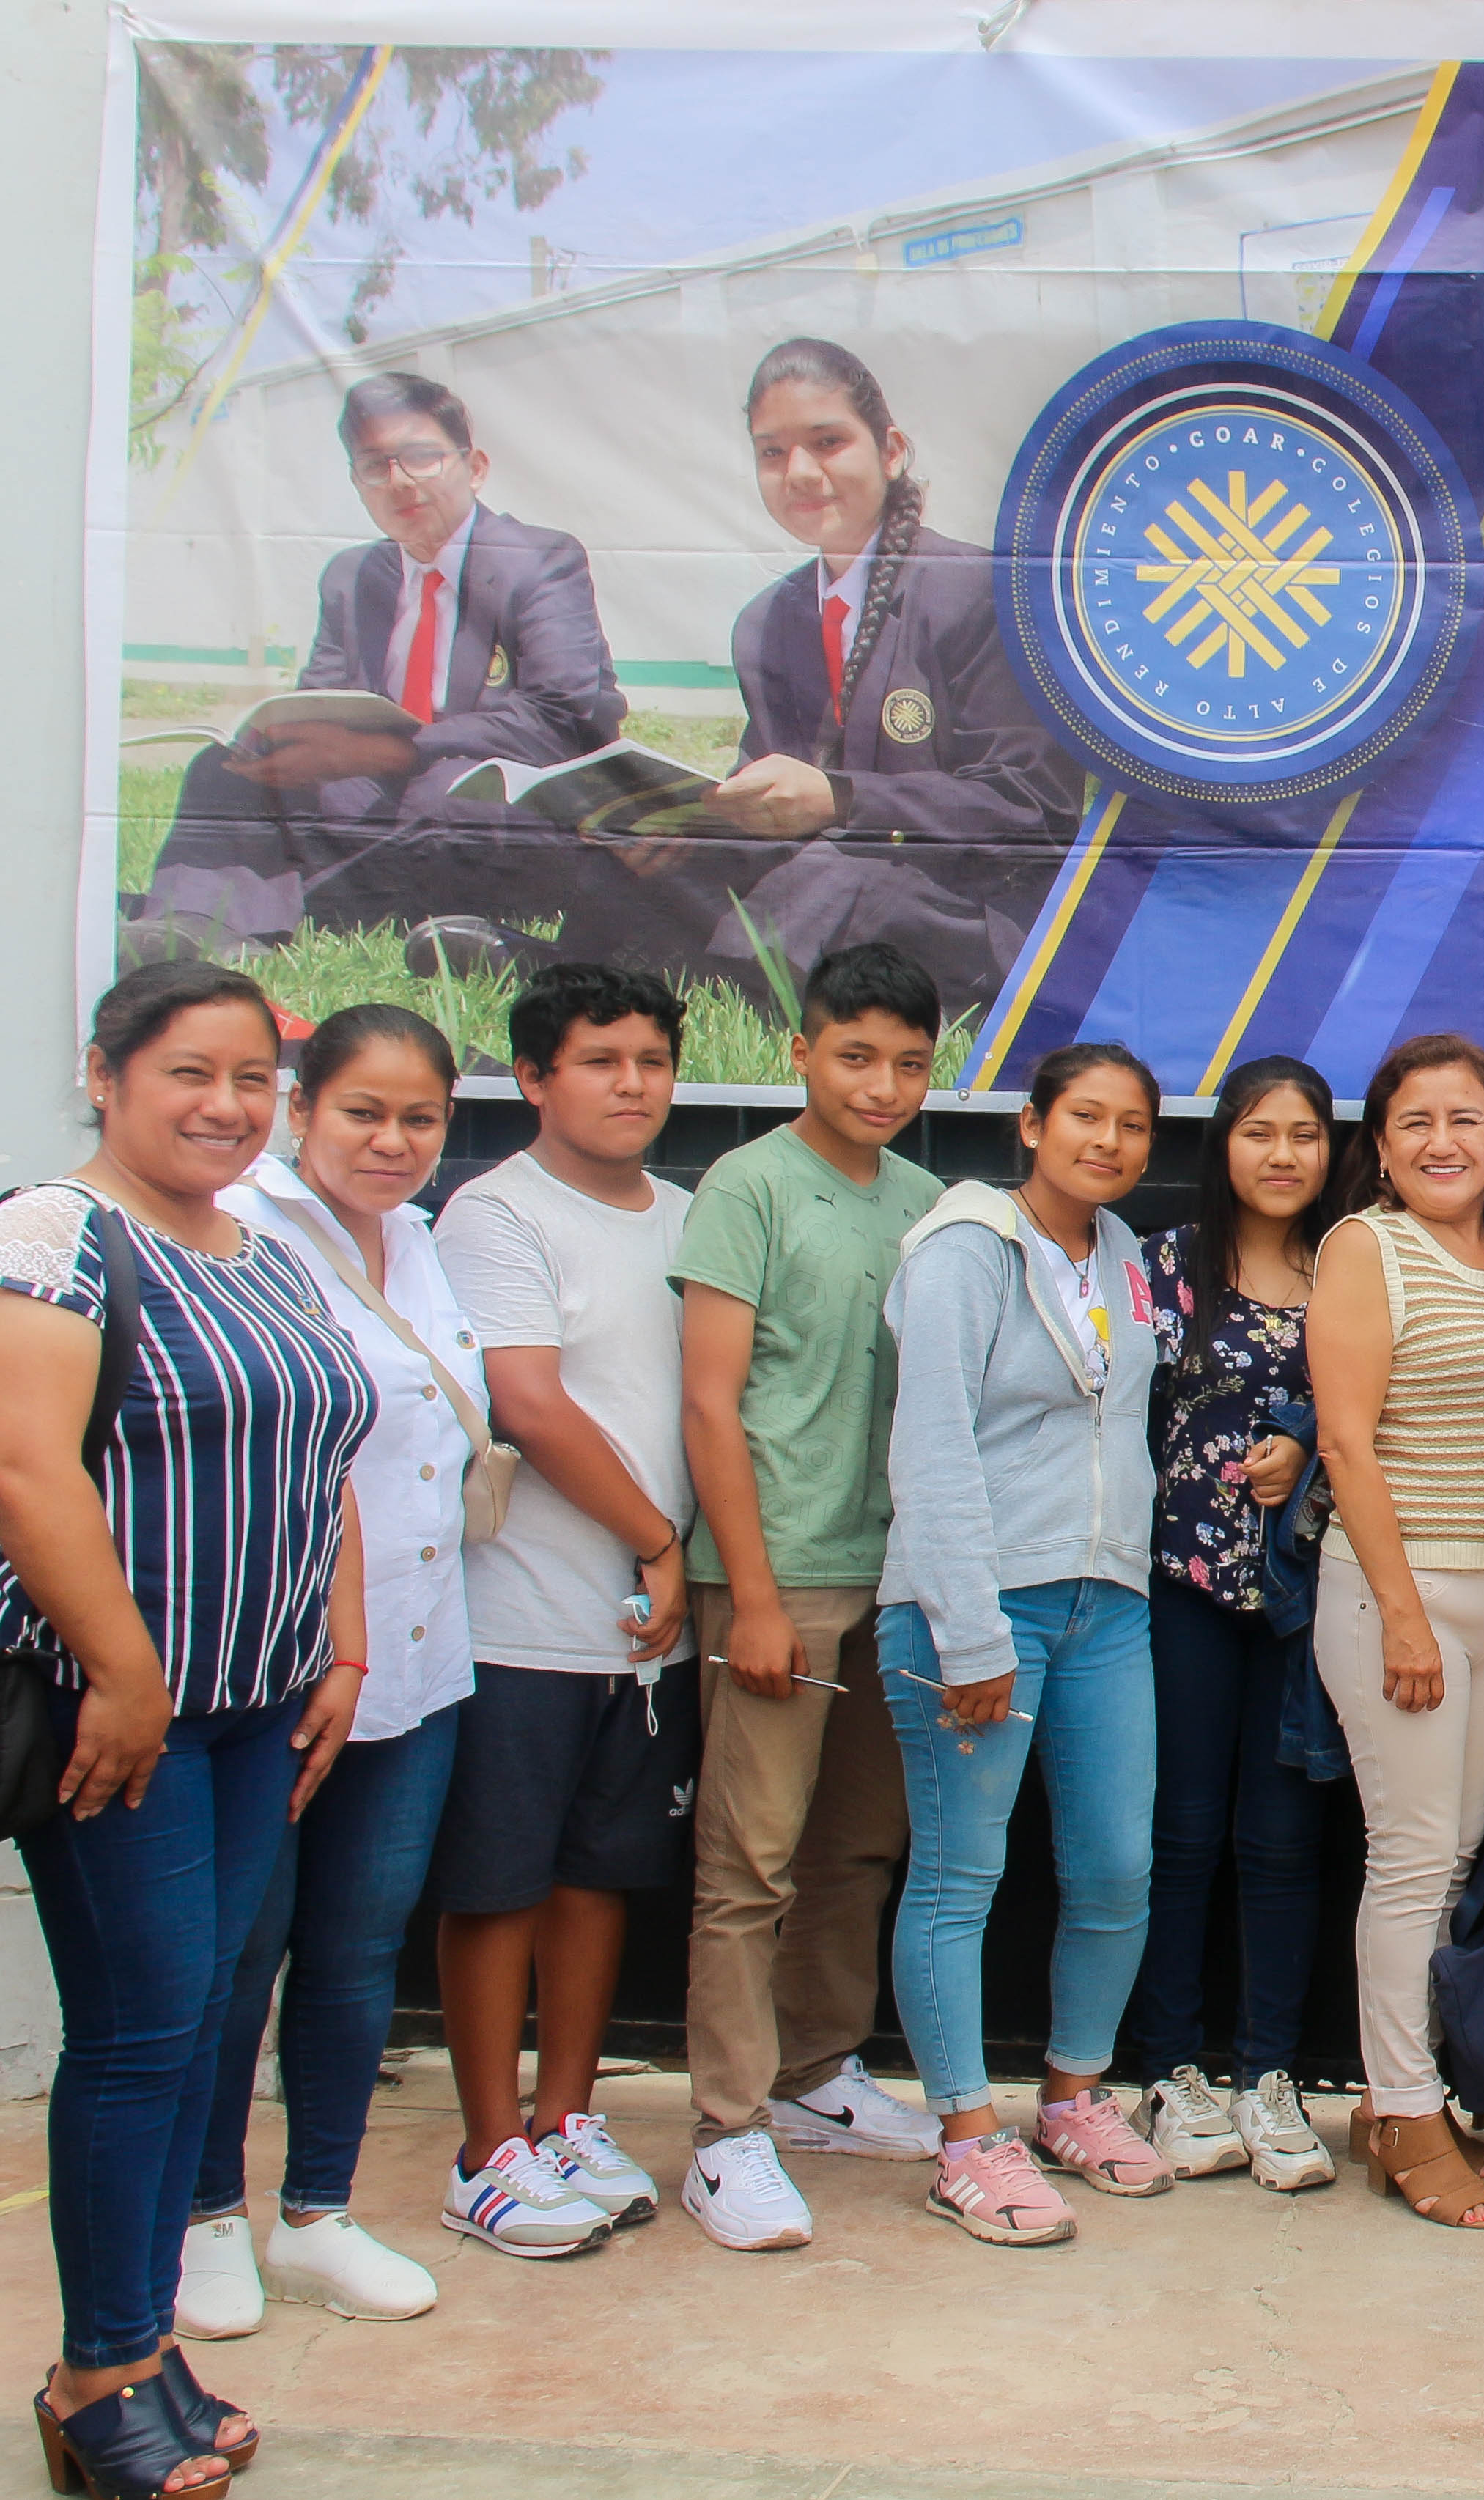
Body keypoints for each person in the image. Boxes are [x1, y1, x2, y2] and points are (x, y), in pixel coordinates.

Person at [1, 962, 374, 2500]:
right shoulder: (55, 1236)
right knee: (144, 2034)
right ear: (106, 1073)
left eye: (250, 1082)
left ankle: (144, 2344)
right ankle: (95, 2372)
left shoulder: (264, 1247)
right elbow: (27, 1469)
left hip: (254, 1713)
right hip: (129, 1725)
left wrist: (338, 1642)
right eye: (186, 1074)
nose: (226, 1106)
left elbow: (328, 1447)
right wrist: (128, 1674)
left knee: (207, 2025)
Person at [180, 1009, 484, 2340]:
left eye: (419, 1118)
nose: (393, 1140)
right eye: (364, 1111)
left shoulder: (418, 1239)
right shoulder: (240, 1234)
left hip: (419, 1656)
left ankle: (317, 2213)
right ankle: (202, 2224)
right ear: (303, 1106)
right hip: (289, 1661)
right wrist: (334, 1647)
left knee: (358, 1950)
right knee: (235, 1957)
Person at [667, 942, 950, 2253]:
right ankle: (724, 2133)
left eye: (906, 1061)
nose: (881, 1083)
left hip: (896, 1583)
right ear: (800, 1051)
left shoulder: (931, 1202)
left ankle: (815, 2076)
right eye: (855, 1054)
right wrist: (757, 1595)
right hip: (778, 1576)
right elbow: (709, 1403)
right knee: (749, 1865)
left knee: (855, 1850)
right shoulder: (747, 1187)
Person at [427, 962, 700, 2261]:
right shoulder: (493, 1215)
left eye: (650, 1058)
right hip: (519, 1621)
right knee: (498, 1884)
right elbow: (526, 1405)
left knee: (604, 1878)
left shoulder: (690, 1217)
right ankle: (484, 2153)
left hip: (647, 1637)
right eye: (601, 1060)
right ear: (535, 1078)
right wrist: (657, 1536)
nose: (630, 1083)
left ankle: (565, 2119)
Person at [878, 1042, 1171, 2246]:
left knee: (1113, 1865)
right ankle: (963, 2137)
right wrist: (968, 1630)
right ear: (1031, 1126)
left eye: (1132, 1124)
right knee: (961, 1876)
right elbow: (931, 1446)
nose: (1107, 1141)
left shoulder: (1124, 1255)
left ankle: (1070, 2099)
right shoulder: (962, 1251)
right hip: (978, 1606)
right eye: (1085, 1117)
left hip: (1109, 1603)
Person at [635, 337, 1075, 1014]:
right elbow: (771, 787)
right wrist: (693, 827)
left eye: (828, 441)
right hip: (818, 874)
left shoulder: (980, 593)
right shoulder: (766, 621)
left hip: (963, 902)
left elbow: (1030, 807)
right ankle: (561, 964)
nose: (800, 473)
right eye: (772, 452)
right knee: (655, 866)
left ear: (891, 450)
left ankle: (690, 986)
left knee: (841, 880)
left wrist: (841, 799)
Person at [137, 370, 625, 959]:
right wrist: (282, 742)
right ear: (357, 481)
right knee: (225, 772)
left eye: (421, 458)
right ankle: (194, 927)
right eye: (376, 466)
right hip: (383, 802)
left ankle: (312, 894)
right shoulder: (352, 578)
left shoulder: (542, 561)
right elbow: (320, 699)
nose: (400, 482)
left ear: (473, 468)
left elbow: (561, 717)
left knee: (445, 793)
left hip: (499, 799)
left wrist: (405, 748)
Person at [1310, 1034, 1484, 2231]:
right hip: (1396, 1600)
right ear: (1381, 1147)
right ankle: (1402, 2110)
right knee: (1408, 1860)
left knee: (1451, 1860)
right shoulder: (1367, 1249)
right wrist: (1403, 1612)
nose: (1443, 1142)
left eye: (1466, 1119)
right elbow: (1346, 1444)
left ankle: (1403, 2094)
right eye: (1415, 1122)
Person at [1129, 1055, 1343, 2192]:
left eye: (1304, 1133)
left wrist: (1306, 1443)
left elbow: (1375, 1406)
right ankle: (1170, 2068)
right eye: (1259, 1132)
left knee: (1283, 1838)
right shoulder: (1166, 1265)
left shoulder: (1349, 1268)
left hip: (1310, 1595)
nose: (1281, 1154)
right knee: (1181, 1833)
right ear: (1223, 1144)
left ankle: (1271, 2071)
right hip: (1180, 1584)